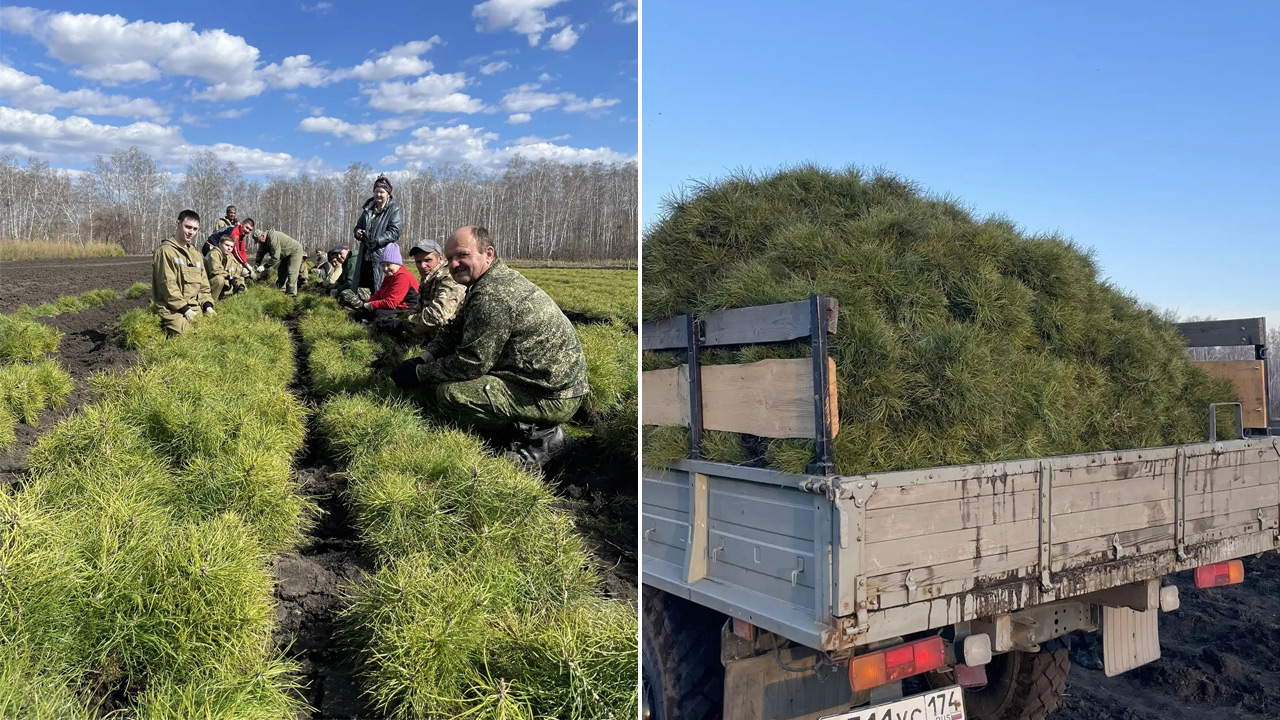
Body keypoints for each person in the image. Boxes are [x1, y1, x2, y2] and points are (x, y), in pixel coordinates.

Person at [391, 226, 588, 467]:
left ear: (488, 254)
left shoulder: (491, 296)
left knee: (453, 394)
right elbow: (454, 330)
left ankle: (542, 436)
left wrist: (419, 374)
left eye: (462, 255)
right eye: (450, 258)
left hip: (552, 395)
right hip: (543, 379)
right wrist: (424, 357)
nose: (454, 264)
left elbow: (471, 364)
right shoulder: (485, 282)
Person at [153, 209, 215, 336]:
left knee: (211, 332)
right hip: (171, 309)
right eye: (188, 227)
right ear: (178, 224)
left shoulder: (196, 255)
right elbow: (167, 286)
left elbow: (204, 286)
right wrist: (185, 310)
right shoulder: (165, 251)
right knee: (189, 335)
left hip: (195, 307)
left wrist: (208, 306)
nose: (191, 232)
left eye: (195, 229)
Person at [346, 174, 402, 297]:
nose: (378, 195)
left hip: (382, 254)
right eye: (376, 191)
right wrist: (357, 232)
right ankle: (364, 305)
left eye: (382, 192)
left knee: (380, 285)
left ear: (388, 194)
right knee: (363, 285)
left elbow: (395, 231)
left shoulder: (393, 210)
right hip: (365, 253)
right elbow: (358, 226)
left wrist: (378, 240)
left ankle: (379, 306)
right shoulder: (368, 209)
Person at [399, 240, 466, 338]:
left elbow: (438, 315)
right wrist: (403, 318)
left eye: (428, 260)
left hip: (449, 336)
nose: (422, 266)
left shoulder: (448, 278)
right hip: (434, 333)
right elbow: (419, 309)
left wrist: (406, 325)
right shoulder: (429, 277)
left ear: (440, 258)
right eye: (418, 262)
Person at [353, 244, 416, 323]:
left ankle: (372, 324)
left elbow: (391, 303)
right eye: (383, 265)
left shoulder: (403, 276)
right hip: (394, 307)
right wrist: (366, 304)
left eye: (388, 265)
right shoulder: (389, 276)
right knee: (360, 313)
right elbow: (379, 294)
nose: (385, 269)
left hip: (406, 309)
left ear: (397, 264)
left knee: (377, 313)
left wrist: (371, 305)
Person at [251, 228, 305, 296]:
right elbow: (260, 252)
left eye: (259, 241)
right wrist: (257, 263)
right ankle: (281, 289)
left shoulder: (273, 238)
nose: (259, 243)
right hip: (286, 254)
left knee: (292, 272)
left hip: (295, 251)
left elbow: (276, 258)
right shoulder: (263, 241)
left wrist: (265, 267)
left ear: (263, 236)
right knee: (281, 271)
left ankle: (291, 294)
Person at [205, 234, 247, 300]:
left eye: (231, 247)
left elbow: (236, 272)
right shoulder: (214, 253)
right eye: (227, 245)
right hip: (207, 283)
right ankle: (211, 301)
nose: (229, 248)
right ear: (220, 244)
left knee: (241, 282)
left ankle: (227, 298)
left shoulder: (230, 256)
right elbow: (216, 270)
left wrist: (240, 284)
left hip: (222, 283)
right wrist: (230, 278)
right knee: (219, 279)